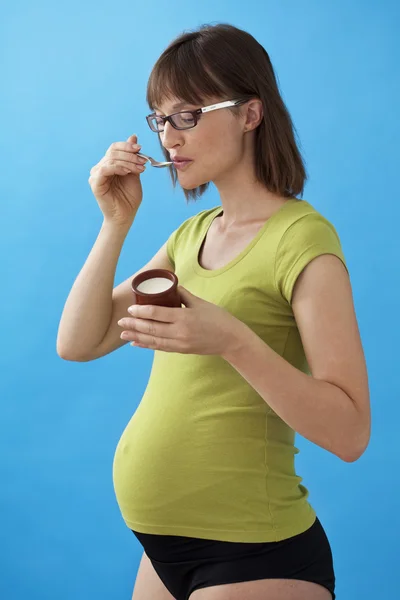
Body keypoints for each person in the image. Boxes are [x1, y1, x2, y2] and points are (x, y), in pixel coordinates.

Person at [57, 22, 371, 600]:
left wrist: (233, 339)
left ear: (251, 115)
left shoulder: (303, 240)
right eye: (161, 118)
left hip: (253, 553)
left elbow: (351, 432)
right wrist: (115, 222)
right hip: (163, 551)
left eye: (188, 115)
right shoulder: (191, 235)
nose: (168, 138)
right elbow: (79, 341)